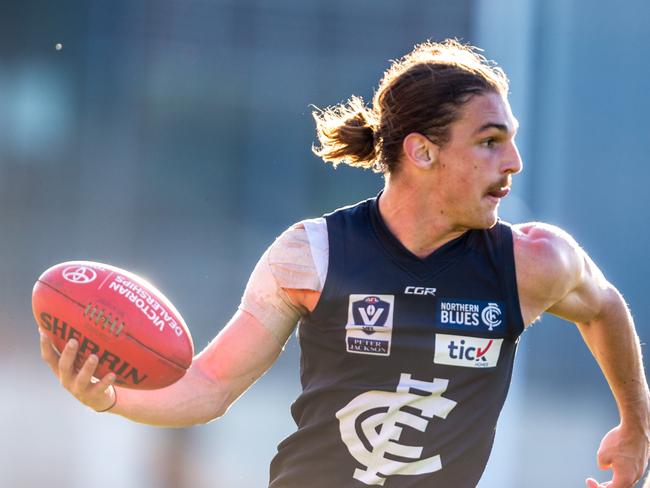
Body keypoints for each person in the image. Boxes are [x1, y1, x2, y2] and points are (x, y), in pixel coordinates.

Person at [39, 39, 649, 487]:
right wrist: (109, 400)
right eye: (490, 141)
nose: (513, 160)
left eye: (511, 138)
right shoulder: (312, 254)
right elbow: (209, 385)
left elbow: (605, 309)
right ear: (422, 152)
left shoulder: (532, 261)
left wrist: (635, 429)